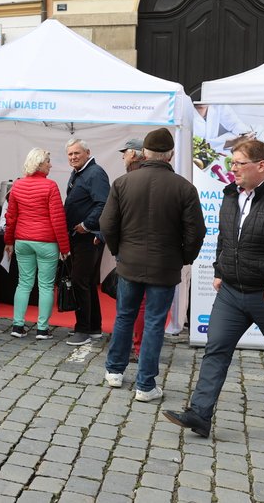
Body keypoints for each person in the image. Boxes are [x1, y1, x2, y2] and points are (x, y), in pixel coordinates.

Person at [164, 140, 264, 439]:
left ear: (261, 165)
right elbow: (226, 237)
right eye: (231, 163)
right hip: (232, 293)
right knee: (216, 350)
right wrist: (220, 270)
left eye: (238, 163)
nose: (232, 169)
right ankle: (200, 414)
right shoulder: (230, 195)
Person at [101, 129, 206, 402]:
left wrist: (118, 250)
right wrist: (184, 258)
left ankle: (114, 371)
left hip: (130, 261)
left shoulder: (123, 183)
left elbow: (107, 225)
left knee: (125, 316)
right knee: (154, 323)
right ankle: (145, 385)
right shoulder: (184, 187)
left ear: (144, 153)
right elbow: (196, 232)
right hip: (165, 264)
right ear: (170, 155)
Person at [4, 148, 70, 339]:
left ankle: (17, 325)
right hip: (46, 242)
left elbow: (11, 217)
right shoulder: (50, 186)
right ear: (40, 163)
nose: (50, 164)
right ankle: (42, 328)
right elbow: (58, 219)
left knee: (23, 283)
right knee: (46, 286)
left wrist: (8, 241)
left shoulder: (17, 186)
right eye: (48, 161)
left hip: (23, 240)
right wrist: (64, 247)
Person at [64, 138, 110, 346]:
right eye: (70, 154)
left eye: (77, 153)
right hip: (81, 237)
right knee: (88, 282)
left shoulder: (95, 173)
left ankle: (83, 329)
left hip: (88, 237)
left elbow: (104, 203)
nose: (73, 157)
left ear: (87, 152)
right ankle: (93, 327)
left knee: (80, 281)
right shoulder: (80, 173)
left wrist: (87, 224)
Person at [119, 137, 146, 358]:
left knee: (130, 304)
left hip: (129, 250)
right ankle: (139, 347)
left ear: (136, 154)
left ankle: (132, 347)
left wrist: (115, 244)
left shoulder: (125, 181)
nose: (123, 156)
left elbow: (111, 220)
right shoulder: (170, 180)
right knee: (144, 305)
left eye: (126, 152)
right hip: (156, 253)